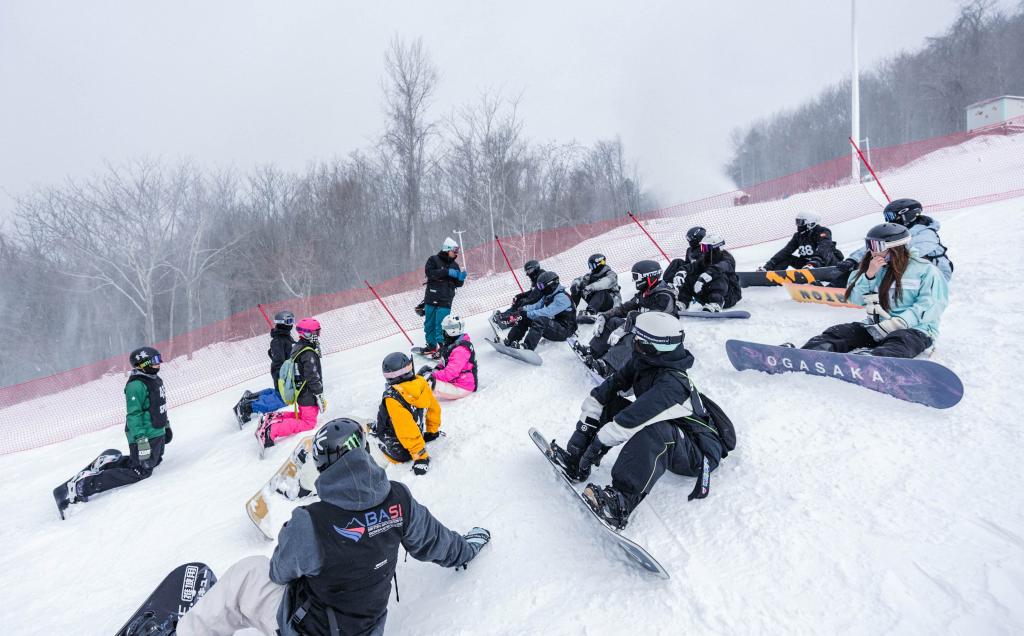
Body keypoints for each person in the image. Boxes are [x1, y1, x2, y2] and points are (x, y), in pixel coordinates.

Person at [162, 418, 491, 636]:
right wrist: (466, 548)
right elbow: (435, 542)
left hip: (314, 630)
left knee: (248, 573)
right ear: (364, 451)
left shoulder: (311, 522)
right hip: (367, 629)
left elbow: (279, 572)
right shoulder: (399, 500)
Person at [550, 312, 727, 529]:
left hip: (697, 451)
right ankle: (575, 462)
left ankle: (621, 502)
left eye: (640, 340)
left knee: (656, 431)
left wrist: (598, 444)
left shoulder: (672, 385)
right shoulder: (644, 360)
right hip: (673, 432)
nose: (635, 343)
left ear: (658, 346)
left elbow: (630, 421)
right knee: (609, 403)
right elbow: (613, 386)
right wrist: (594, 406)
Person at [53, 347, 172, 516]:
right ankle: (82, 486)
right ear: (142, 364)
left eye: (158, 359)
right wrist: (141, 439)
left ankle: (108, 463)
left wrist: (165, 426)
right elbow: (134, 415)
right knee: (140, 471)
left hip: (156, 431)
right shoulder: (136, 385)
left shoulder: (155, 379)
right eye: (154, 361)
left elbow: (159, 406)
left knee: (154, 461)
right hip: (143, 435)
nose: (158, 364)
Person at [800, 223, 949, 358]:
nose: (871, 251)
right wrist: (869, 275)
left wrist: (897, 323)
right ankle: (808, 353)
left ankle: (873, 360)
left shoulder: (925, 270)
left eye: (876, 246)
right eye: (869, 245)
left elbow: (931, 305)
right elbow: (854, 298)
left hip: (916, 330)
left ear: (894, 248)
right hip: (877, 327)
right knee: (839, 332)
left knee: (901, 341)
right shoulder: (873, 268)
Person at [575, 259, 678, 377]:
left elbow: (653, 322)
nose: (635, 280)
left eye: (637, 276)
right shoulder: (644, 293)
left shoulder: (664, 296)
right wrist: (604, 316)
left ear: (649, 277)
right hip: (647, 333)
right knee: (613, 322)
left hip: (663, 341)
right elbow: (624, 309)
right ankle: (593, 351)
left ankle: (607, 367)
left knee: (633, 337)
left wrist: (625, 328)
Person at [833, 198, 953, 286]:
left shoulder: (926, 233)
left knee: (881, 262)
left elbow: (912, 252)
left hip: (937, 275)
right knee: (872, 259)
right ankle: (838, 285)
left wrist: (882, 259)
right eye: (887, 217)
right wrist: (853, 260)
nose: (888, 221)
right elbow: (875, 246)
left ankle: (869, 288)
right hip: (911, 272)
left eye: (891, 216)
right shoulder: (898, 231)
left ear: (906, 214)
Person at [256, 318, 326, 450]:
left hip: (301, 391)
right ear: (307, 334)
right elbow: (312, 376)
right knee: (308, 423)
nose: (318, 336)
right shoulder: (308, 353)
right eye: (316, 333)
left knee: (302, 416)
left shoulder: (298, 347)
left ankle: (273, 418)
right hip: (307, 393)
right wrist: (319, 394)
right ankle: (272, 430)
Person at [374, 352, 442, 475]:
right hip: (414, 439)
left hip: (400, 450)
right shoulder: (421, 383)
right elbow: (434, 409)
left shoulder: (392, 397)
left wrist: (420, 456)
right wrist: (432, 431)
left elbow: (405, 428)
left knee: (365, 434)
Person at [233, 310, 296, 426]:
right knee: (282, 399)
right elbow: (279, 362)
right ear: (281, 322)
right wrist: (283, 378)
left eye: (293, 320)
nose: (292, 324)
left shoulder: (285, 337)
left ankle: (251, 397)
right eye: (289, 321)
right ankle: (248, 407)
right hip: (281, 373)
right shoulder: (278, 341)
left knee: (278, 393)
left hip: (286, 372)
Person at [503, 271, 577, 351]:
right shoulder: (549, 295)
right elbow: (536, 306)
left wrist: (527, 314)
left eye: (541, 286)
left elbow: (547, 312)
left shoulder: (562, 298)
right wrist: (523, 310)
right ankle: (511, 340)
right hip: (554, 326)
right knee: (524, 317)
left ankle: (527, 347)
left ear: (551, 284)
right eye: (538, 286)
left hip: (565, 331)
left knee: (540, 319)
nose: (540, 289)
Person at [667, 233, 741, 312]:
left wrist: (703, 278)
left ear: (715, 247)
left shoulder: (727, 259)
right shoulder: (706, 258)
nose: (703, 250)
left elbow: (719, 268)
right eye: (702, 247)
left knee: (719, 275)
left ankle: (716, 304)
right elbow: (693, 266)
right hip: (707, 295)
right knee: (690, 276)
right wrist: (681, 272)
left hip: (728, 296)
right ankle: (682, 302)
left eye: (705, 247)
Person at [422, 237, 466, 358]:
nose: (456, 253)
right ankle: (431, 346)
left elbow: (458, 284)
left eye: (457, 251)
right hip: (432, 296)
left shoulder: (455, 265)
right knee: (429, 324)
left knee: (441, 325)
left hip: (446, 299)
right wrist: (446, 272)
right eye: (454, 250)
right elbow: (430, 273)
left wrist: (461, 279)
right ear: (447, 249)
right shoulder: (433, 260)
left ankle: (442, 348)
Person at [418, 315, 477, 401]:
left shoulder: (460, 350)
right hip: (456, 381)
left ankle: (414, 402)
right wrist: (435, 370)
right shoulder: (453, 343)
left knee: (429, 383)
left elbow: (450, 373)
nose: (443, 332)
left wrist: (432, 375)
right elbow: (445, 362)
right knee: (426, 372)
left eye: (444, 329)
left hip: (462, 387)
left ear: (452, 330)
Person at [759, 212, 843, 271]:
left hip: (828, 264)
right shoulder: (798, 236)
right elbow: (786, 251)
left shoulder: (822, 231)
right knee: (786, 257)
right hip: (807, 265)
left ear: (810, 223)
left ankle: (813, 265)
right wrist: (770, 264)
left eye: (800, 222)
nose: (798, 225)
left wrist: (814, 262)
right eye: (797, 222)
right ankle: (772, 274)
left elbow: (824, 246)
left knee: (827, 251)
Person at [493, 260, 545, 328]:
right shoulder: (536, 277)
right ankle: (507, 314)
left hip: (542, 301)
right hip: (536, 297)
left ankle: (511, 319)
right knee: (519, 299)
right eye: (527, 271)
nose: (528, 274)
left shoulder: (542, 277)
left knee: (523, 302)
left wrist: (527, 300)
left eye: (529, 271)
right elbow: (532, 291)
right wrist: (520, 295)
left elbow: (538, 293)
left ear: (535, 268)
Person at [569, 253, 621, 318]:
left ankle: (590, 312)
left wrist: (590, 287)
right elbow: (580, 279)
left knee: (601, 289)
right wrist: (575, 284)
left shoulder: (611, 275)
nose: (591, 268)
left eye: (592, 265)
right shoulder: (591, 275)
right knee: (578, 287)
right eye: (590, 266)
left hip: (610, 304)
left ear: (598, 264)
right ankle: (570, 310)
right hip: (597, 303)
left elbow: (604, 283)